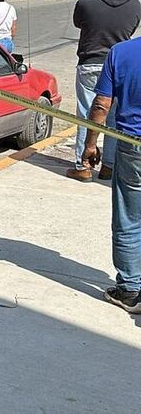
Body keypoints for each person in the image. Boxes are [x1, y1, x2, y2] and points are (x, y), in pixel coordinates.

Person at [82, 36, 141, 314]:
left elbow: (101, 106)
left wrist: (90, 144)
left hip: (133, 149)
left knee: (129, 217)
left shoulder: (121, 53)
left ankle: (130, 290)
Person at [69, 0, 141, 182]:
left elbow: (78, 23)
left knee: (86, 114)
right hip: (120, 66)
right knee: (113, 118)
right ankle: (108, 166)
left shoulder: (86, 3)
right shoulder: (135, 6)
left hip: (91, 63)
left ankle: (83, 166)